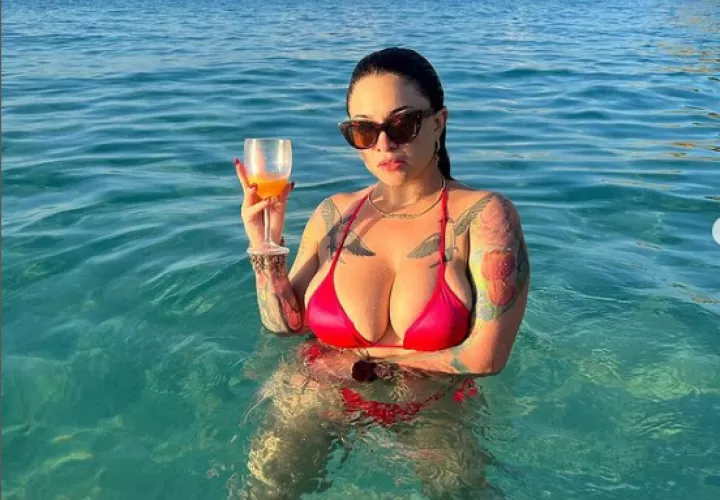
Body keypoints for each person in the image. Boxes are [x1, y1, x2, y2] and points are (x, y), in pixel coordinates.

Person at [234, 47, 530, 499]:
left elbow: (486, 358)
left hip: (434, 410)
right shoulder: (333, 213)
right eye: (364, 130)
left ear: (439, 122)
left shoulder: (484, 215)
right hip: (316, 394)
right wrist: (265, 245)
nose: (384, 145)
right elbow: (283, 326)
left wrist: (365, 362)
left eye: (403, 124)